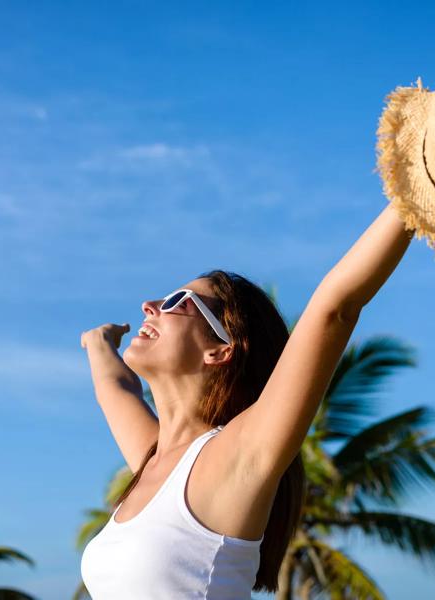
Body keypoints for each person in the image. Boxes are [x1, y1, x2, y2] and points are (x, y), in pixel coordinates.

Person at [79, 204, 414, 599]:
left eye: (179, 302)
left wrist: (411, 197)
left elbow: (335, 307)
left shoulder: (236, 456)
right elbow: (115, 390)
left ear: (220, 350)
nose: (150, 304)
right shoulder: (154, 461)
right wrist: (98, 344)